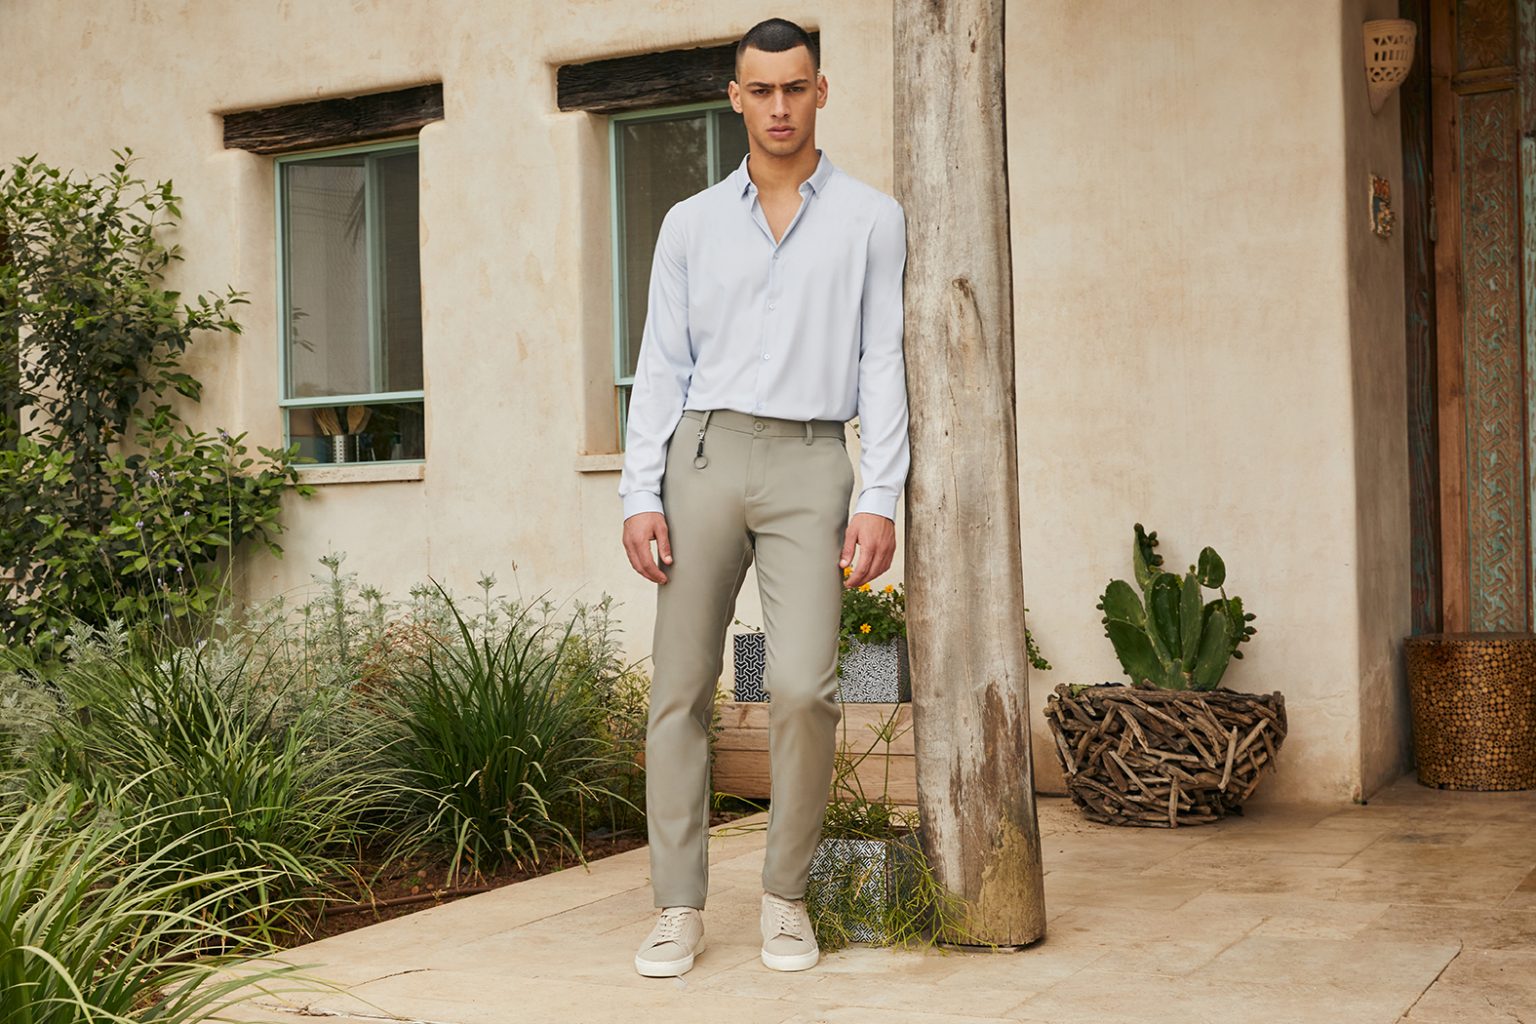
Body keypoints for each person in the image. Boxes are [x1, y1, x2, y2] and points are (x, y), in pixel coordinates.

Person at [618, 16, 910, 978]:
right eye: (761, 89)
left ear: (820, 91)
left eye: (795, 87)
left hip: (812, 460)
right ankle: (677, 907)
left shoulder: (871, 218)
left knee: (804, 688)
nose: (779, 106)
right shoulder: (690, 223)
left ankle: (786, 896)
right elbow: (661, 365)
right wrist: (639, 491)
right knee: (680, 688)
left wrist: (880, 493)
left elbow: (882, 361)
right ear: (735, 97)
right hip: (702, 455)